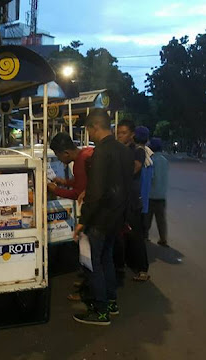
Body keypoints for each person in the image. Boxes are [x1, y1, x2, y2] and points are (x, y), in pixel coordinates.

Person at [73, 109, 134, 326]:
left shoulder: (101, 152)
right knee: (106, 259)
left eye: (88, 129)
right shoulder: (125, 152)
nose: (88, 134)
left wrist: (83, 221)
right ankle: (111, 303)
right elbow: (124, 187)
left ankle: (100, 311)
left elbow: (97, 190)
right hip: (116, 218)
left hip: (99, 219)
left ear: (95, 127)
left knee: (92, 263)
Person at [48, 132, 94, 301]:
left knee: (88, 254)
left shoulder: (80, 162)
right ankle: (87, 286)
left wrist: (55, 190)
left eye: (58, 156)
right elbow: (81, 183)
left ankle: (88, 292)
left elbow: (77, 193)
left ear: (65, 153)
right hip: (99, 212)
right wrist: (64, 182)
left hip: (91, 213)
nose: (60, 160)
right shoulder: (87, 152)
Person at [116, 120, 150, 282]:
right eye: (118, 133)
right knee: (121, 235)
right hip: (119, 198)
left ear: (132, 135)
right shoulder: (119, 150)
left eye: (123, 133)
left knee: (135, 235)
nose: (120, 136)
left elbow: (134, 168)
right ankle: (122, 265)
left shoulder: (138, 151)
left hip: (132, 200)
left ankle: (142, 269)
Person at [145, 138, 169, 247]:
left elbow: (151, 177)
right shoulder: (165, 160)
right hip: (161, 195)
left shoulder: (151, 160)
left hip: (150, 195)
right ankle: (163, 238)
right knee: (161, 219)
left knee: (147, 218)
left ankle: (145, 236)